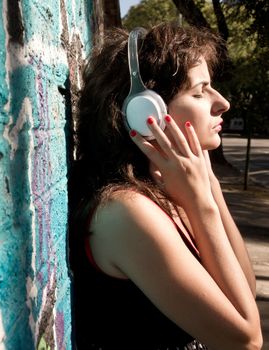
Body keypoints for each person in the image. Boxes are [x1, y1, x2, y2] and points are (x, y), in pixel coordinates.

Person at [69, 23, 263, 349]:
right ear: (145, 112)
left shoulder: (169, 191)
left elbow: (245, 288)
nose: (223, 103)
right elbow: (244, 340)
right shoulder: (126, 213)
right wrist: (201, 205)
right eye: (200, 92)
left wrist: (209, 187)